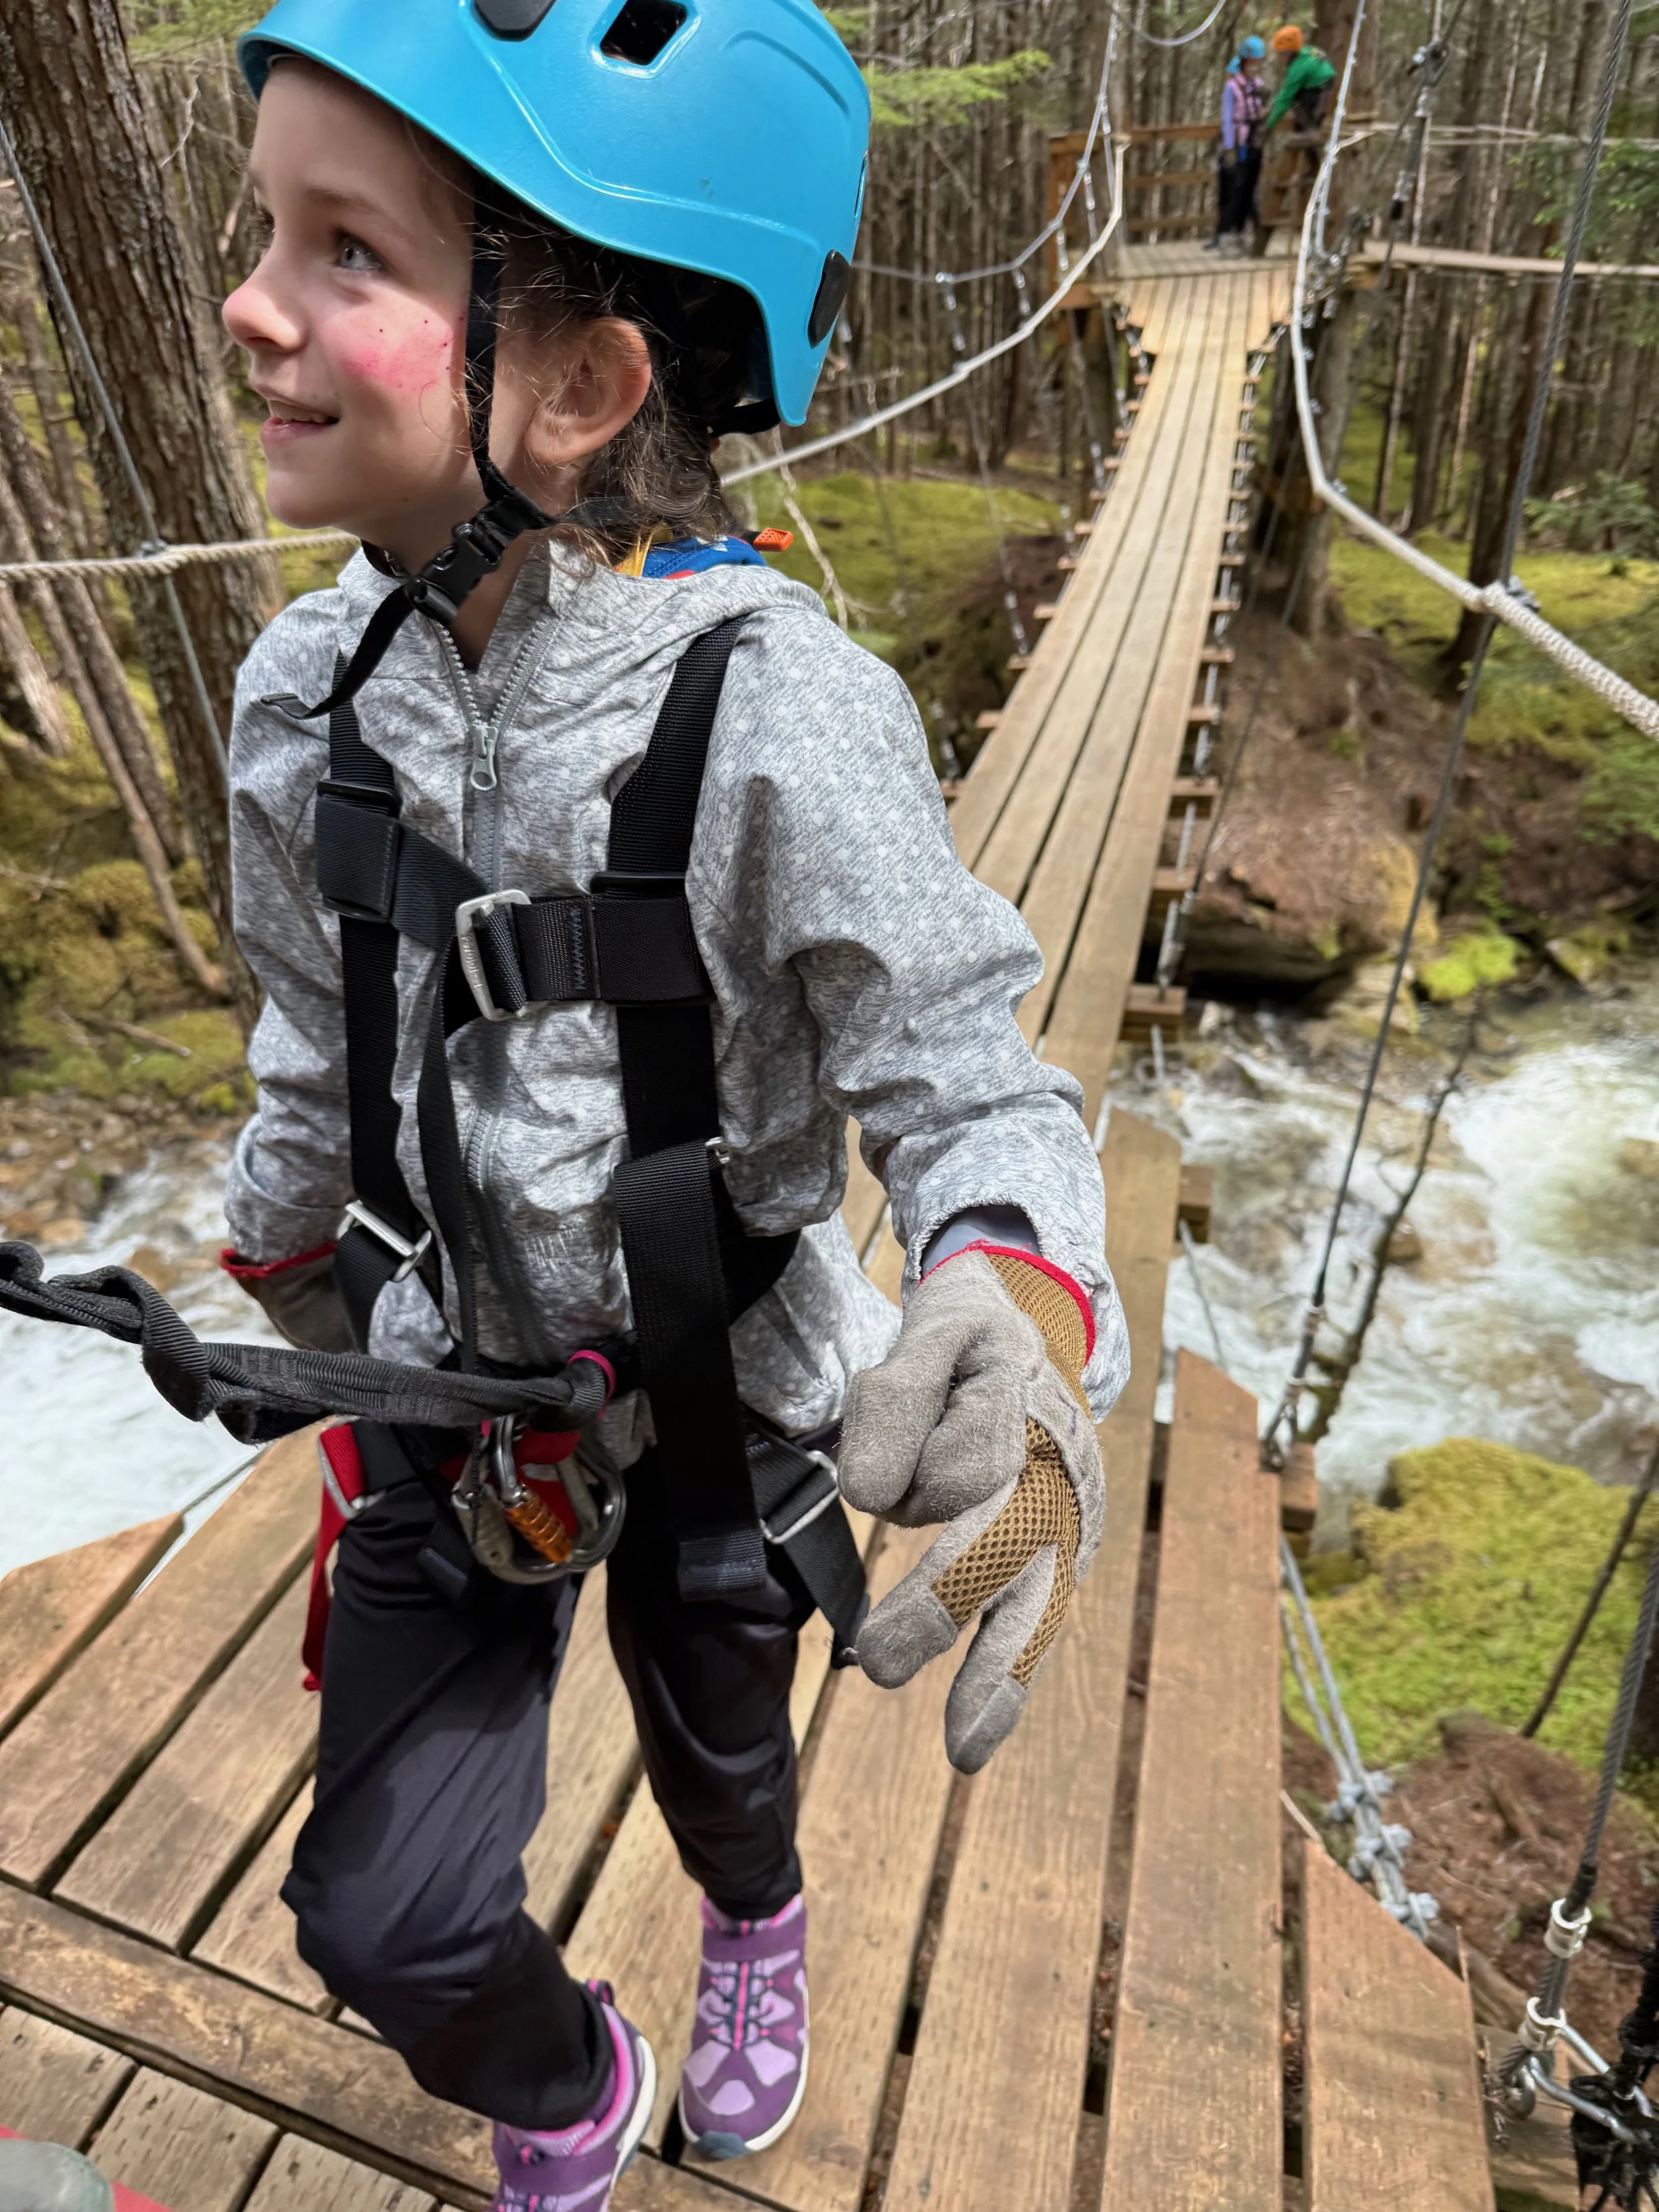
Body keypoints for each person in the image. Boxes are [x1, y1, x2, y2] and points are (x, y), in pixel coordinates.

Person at [216, 5, 1128, 2209]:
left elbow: (962, 1050)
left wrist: (1021, 1286)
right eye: (265, 230)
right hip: (448, 1381)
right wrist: (277, 1254)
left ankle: (759, 1911)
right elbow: (311, 1043)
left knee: (726, 1759)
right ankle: (567, 2082)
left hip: (727, 1388)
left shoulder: (785, 720)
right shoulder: (294, 702)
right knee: (377, 1911)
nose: (257, 302)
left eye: (351, 252)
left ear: (585, 383)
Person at [1212, 37, 1269, 254]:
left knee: (1249, 190)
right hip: (1239, 143)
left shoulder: (1259, 86)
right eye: (1253, 62)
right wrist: (1229, 148)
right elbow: (1228, 119)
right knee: (1236, 190)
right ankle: (1228, 235)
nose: (1256, 67)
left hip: (1255, 141)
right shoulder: (1232, 88)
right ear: (1244, 62)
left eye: (1258, 62)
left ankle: (1243, 234)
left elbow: (1261, 111)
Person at [1264, 23, 1337, 136]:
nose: (1278, 58)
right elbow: (1285, 92)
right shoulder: (1307, 51)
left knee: (1302, 121)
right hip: (1322, 86)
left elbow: (1286, 99)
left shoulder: (1298, 68)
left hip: (1318, 94)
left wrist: (1268, 126)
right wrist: (1273, 105)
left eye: (1280, 53)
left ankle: (1308, 127)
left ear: (1288, 53)